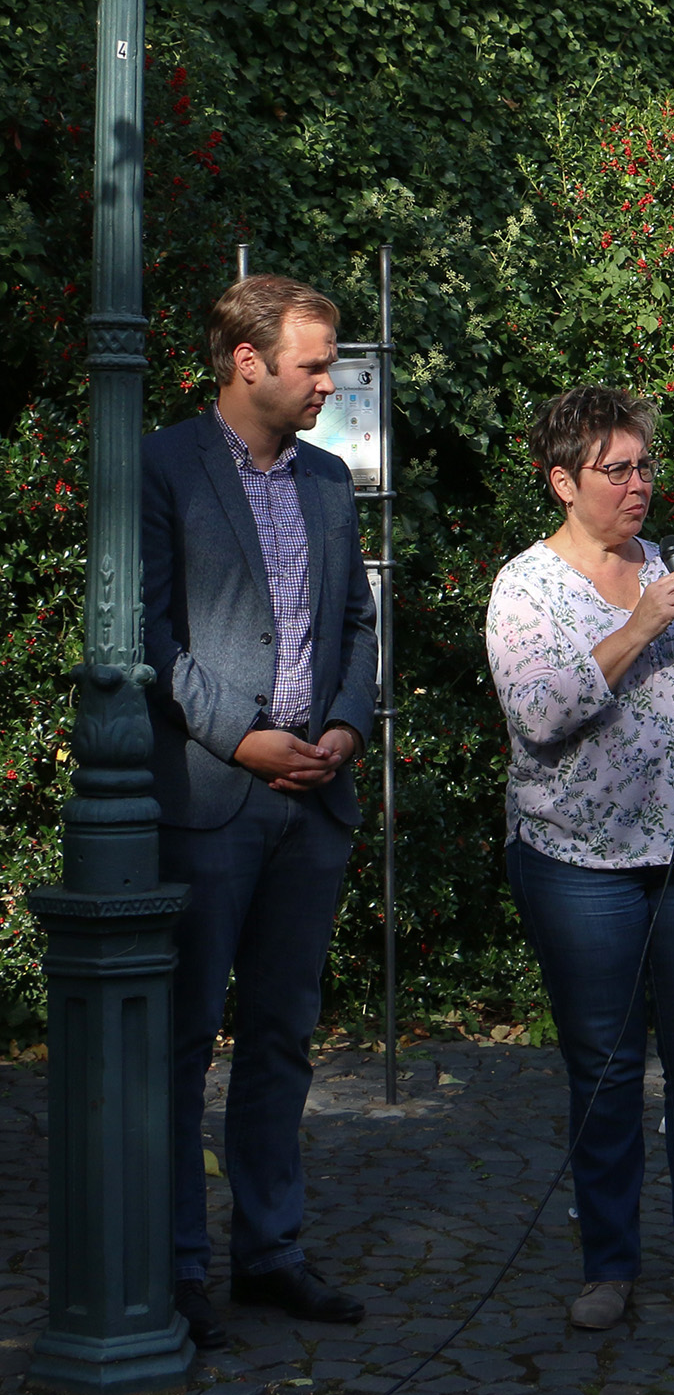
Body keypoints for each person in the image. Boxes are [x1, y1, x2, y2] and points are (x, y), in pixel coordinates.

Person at [485, 386, 674, 1333]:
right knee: (605, 1072)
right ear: (565, 483)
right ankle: (607, 1269)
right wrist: (644, 624)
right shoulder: (526, 588)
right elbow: (540, 715)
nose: (639, 484)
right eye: (617, 470)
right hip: (578, 864)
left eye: (645, 465)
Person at [143, 274, 379, 1349]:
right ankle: (175, 1269)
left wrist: (347, 727)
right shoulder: (163, 465)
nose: (329, 383)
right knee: (183, 1041)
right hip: (210, 801)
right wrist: (240, 736)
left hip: (314, 803)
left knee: (282, 1037)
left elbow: (356, 623)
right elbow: (146, 635)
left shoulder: (327, 479)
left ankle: (270, 1254)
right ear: (248, 362)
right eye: (314, 366)